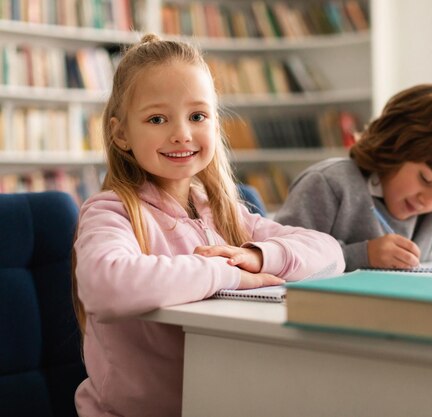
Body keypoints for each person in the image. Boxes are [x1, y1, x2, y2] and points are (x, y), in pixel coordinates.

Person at [71, 34, 345, 417]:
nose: (182, 133)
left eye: (197, 116)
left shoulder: (223, 212)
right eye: (157, 118)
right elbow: (106, 285)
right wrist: (228, 274)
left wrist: (257, 256)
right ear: (121, 134)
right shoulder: (111, 211)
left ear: (216, 124)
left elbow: (331, 256)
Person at [275, 84, 432, 271]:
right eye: (426, 180)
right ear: (396, 145)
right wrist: (363, 256)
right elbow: (280, 259)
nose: (428, 201)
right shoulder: (328, 184)